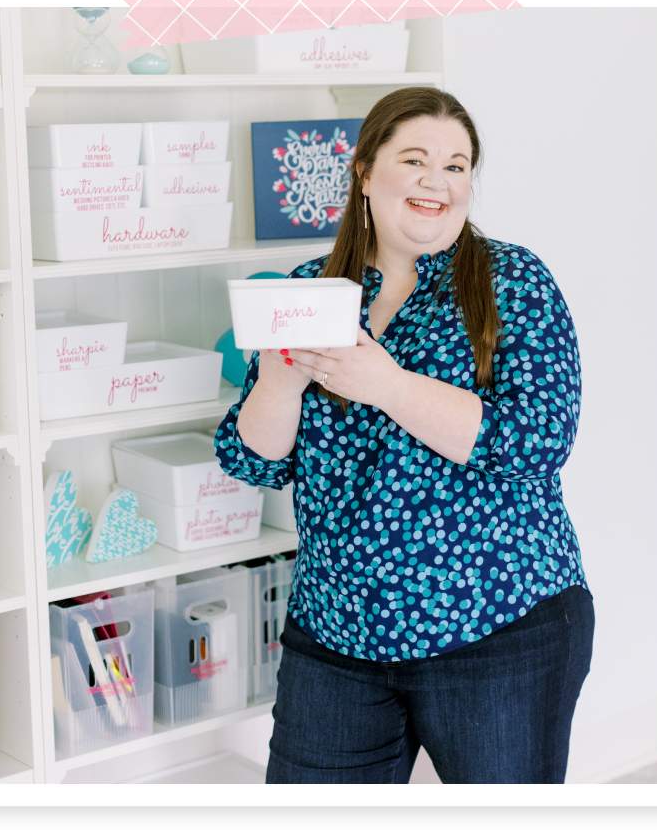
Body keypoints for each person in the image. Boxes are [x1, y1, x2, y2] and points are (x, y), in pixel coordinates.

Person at [214, 87, 594, 784]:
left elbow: (537, 440)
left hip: (496, 627)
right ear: (364, 170)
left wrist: (387, 385)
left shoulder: (515, 282)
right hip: (336, 633)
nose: (437, 180)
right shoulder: (310, 288)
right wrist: (276, 382)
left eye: (456, 165)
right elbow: (252, 459)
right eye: (414, 158)